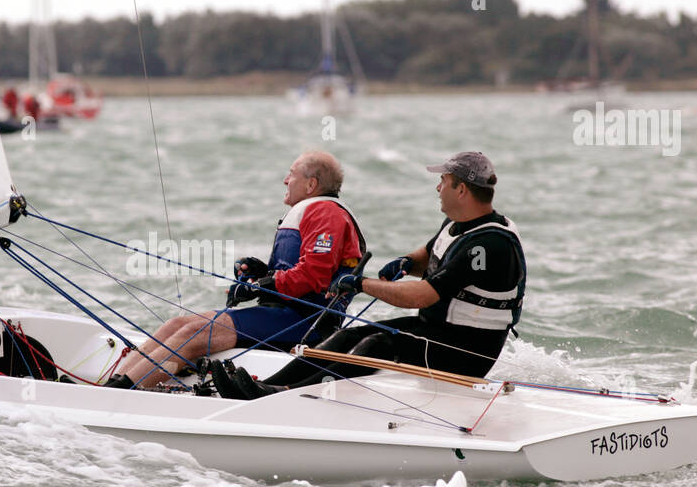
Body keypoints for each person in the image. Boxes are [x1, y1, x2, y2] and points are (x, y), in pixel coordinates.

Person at [212, 151, 525, 399]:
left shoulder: (489, 244)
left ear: (461, 189)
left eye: (443, 180)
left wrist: (362, 284)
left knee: (376, 345)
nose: (437, 187)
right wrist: (405, 262)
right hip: (437, 331)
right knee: (348, 335)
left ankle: (287, 393)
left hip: (466, 350)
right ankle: (264, 388)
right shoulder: (460, 223)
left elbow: (423, 294)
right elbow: (431, 254)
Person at [104, 150, 365, 390]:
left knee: (191, 335)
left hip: (304, 323)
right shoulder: (312, 210)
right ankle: (111, 384)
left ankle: (125, 391)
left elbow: (313, 277)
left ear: (311, 185)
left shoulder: (326, 213)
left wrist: (263, 284)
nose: (285, 180)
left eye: (291, 174)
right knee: (177, 324)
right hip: (281, 314)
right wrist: (260, 272)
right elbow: (295, 271)